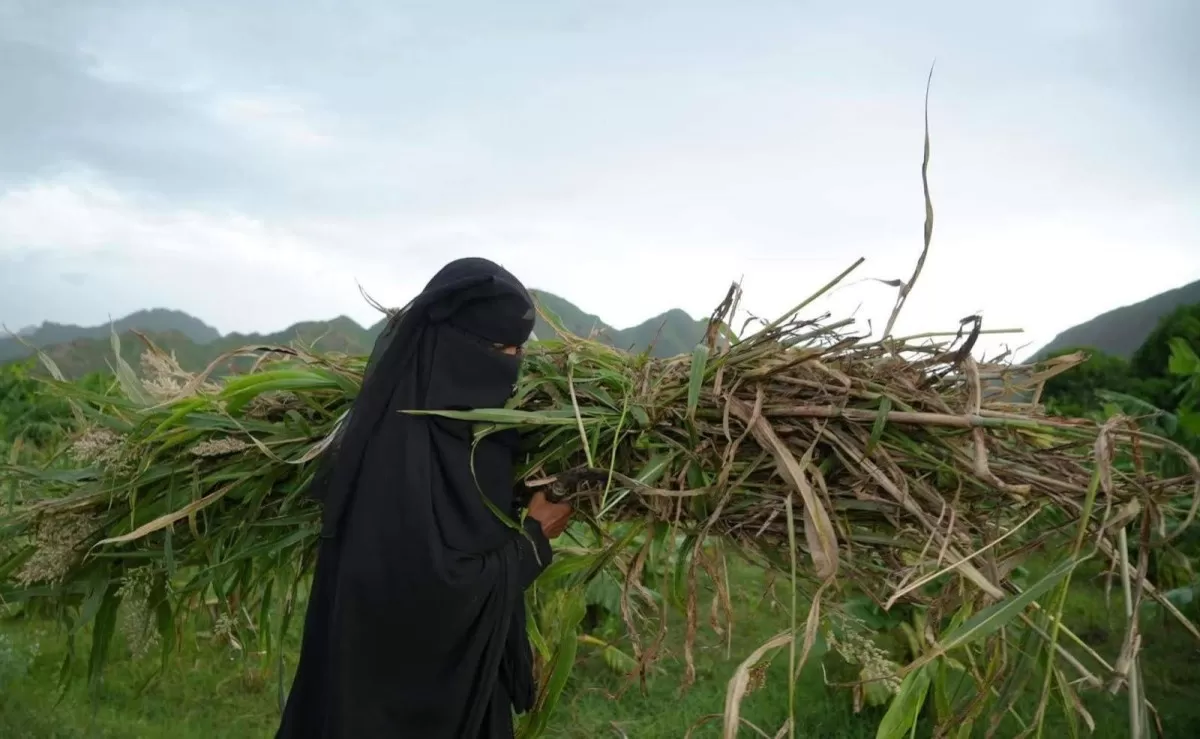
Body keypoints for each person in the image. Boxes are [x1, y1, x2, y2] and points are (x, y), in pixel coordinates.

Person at [276, 257, 573, 738]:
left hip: (472, 688)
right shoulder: (392, 453)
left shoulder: (480, 431)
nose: (511, 364)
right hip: (392, 709)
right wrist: (533, 542)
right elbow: (424, 597)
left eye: (519, 350)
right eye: (501, 348)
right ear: (454, 346)